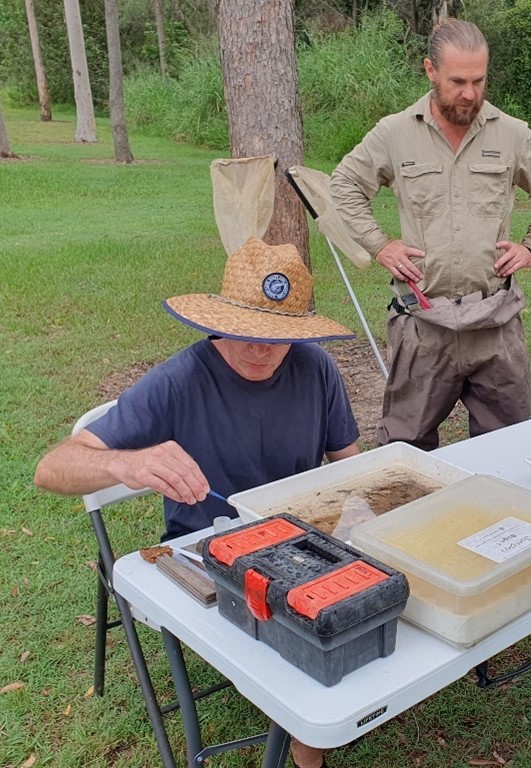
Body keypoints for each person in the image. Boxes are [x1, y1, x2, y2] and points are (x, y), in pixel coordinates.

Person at [34, 237, 361, 768]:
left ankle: (319, 723)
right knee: (304, 628)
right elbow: (51, 468)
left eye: (275, 338)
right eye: (245, 333)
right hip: (206, 553)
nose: (259, 349)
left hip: (299, 539)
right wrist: (126, 464)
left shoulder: (316, 368)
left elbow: (351, 466)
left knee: (369, 591)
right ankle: (307, 751)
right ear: (220, 319)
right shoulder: (180, 379)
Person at [330, 18, 531, 451]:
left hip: (494, 322)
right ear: (430, 70)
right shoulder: (395, 132)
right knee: (404, 451)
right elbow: (345, 184)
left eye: (479, 80)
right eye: (458, 81)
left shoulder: (511, 133)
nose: (470, 93)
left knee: (510, 448)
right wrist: (380, 245)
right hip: (424, 324)